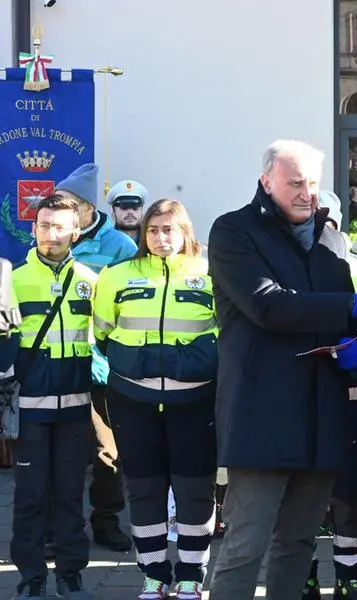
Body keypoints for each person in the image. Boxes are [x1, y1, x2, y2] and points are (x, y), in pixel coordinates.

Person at [207, 140, 357, 600]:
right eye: (294, 182)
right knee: (244, 547)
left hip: (322, 416)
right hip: (262, 416)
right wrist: (350, 303)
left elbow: (343, 321)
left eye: (313, 183)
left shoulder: (331, 238)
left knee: (298, 543)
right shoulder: (234, 232)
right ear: (266, 180)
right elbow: (267, 306)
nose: (306, 193)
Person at [93, 199, 218, 600]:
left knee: (195, 490)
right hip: (133, 399)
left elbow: (228, 329)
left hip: (195, 399)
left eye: (170, 230)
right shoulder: (116, 276)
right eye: (153, 230)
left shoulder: (212, 271)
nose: (162, 238)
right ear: (144, 234)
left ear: (185, 231)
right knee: (144, 489)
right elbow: (102, 331)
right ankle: (153, 575)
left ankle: (191, 577)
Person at [10, 194, 97, 599]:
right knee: (29, 495)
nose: (50, 233)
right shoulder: (13, 280)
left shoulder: (91, 281)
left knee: (69, 494)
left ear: (75, 232)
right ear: (33, 229)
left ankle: (70, 572)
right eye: (43, 225)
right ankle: (30, 575)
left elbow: (105, 335)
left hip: (77, 405)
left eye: (59, 226)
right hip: (30, 407)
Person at [300, 188, 357, 600]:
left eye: (328, 225)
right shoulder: (288, 270)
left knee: (346, 493)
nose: (322, 235)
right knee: (302, 497)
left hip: (346, 397)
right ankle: (305, 574)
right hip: (298, 398)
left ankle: (350, 577)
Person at [55, 163, 137, 553]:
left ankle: (106, 521)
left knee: (108, 450)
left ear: (87, 208)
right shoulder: (53, 239)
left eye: (68, 203)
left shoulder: (121, 248)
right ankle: (62, 530)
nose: (60, 211)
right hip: (58, 363)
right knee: (64, 450)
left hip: (104, 364)